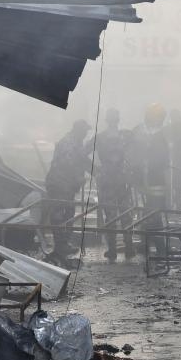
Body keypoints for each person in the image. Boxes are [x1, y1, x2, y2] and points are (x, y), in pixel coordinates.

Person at [44, 119, 93, 260]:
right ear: (78, 131)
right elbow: (68, 164)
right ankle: (59, 246)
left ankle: (64, 244)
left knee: (69, 213)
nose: (85, 134)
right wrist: (79, 178)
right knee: (59, 214)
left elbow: (83, 160)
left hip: (67, 185)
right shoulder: (68, 143)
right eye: (84, 132)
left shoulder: (76, 142)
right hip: (59, 184)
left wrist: (97, 171)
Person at [128, 103, 170, 256]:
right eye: (159, 117)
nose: (161, 120)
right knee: (144, 213)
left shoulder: (161, 134)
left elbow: (164, 158)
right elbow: (130, 153)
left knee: (154, 214)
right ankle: (147, 244)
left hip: (155, 181)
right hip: (141, 181)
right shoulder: (139, 132)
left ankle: (159, 247)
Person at [96, 109, 132, 261]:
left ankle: (112, 250)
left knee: (110, 215)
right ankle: (129, 247)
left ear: (106, 120)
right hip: (122, 179)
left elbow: (83, 152)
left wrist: (95, 170)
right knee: (126, 213)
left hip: (107, 179)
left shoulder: (100, 138)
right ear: (118, 120)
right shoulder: (125, 136)